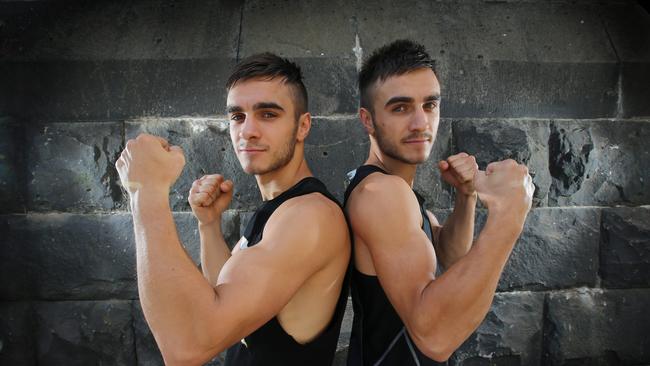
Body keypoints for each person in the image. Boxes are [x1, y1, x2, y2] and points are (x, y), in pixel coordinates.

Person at [115, 53, 351, 366]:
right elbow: (226, 298)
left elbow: (187, 346)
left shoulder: (309, 217)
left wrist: (146, 192)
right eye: (237, 116)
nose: (248, 130)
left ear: (302, 126)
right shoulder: (279, 207)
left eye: (268, 114)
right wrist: (209, 225)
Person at [344, 40, 534, 365]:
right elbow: (433, 336)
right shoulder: (382, 194)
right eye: (400, 107)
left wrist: (466, 195)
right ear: (368, 120)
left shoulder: (396, 191)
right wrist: (508, 216)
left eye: (429, 105)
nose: (421, 123)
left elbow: (451, 256)